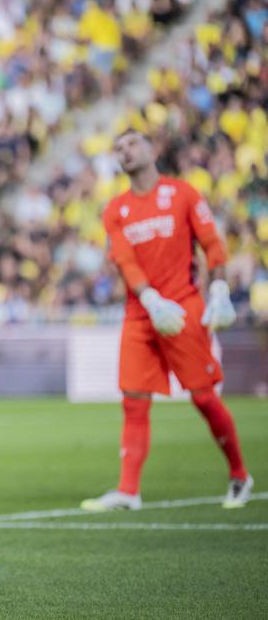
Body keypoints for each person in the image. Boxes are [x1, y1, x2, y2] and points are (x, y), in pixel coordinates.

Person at [82, 129, 253, 511]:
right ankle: (128, 490)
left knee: (204, 397)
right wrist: (148, 297)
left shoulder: (183, 194)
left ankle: (240, 474)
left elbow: (212, 242)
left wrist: (220, 288)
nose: (125, 151)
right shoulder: (116, 210)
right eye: (119, 148)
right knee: (134, 400)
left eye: (131, 143)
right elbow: (123, 258)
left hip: (184, 308)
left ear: (150, 147)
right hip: (141, 315)